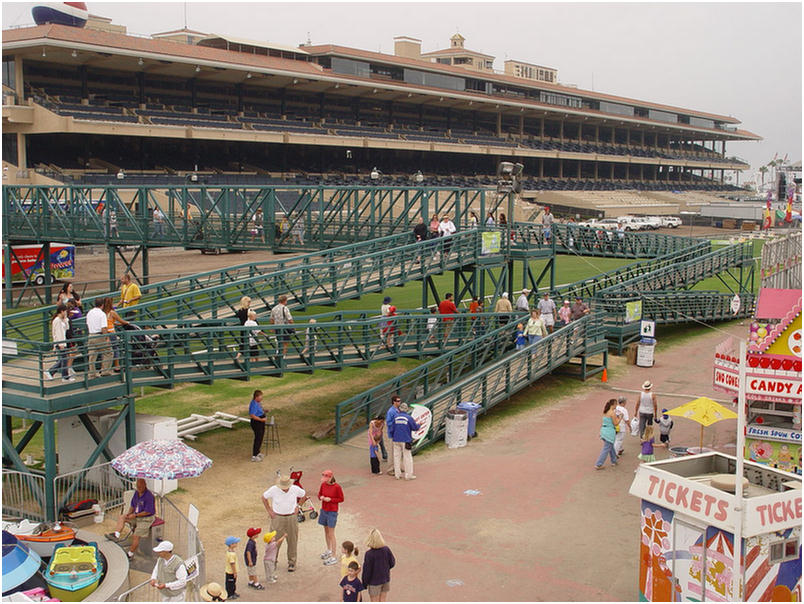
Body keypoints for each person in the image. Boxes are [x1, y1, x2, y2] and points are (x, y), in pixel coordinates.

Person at [262, 474, 305, 572]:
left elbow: (303, 495)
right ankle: (273, 561)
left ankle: (292, 562)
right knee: (274, 540)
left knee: (292, 540)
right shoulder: (273, 489)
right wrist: (269, 510)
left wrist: (298, 506)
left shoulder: (295, 489)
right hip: (278, 517)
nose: (285, 489)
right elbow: (263, 497)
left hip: (291, 517)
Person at [106, 478, 155, 558]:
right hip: (137, 515)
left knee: (136, 536)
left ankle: (130, 554)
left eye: (140, 486)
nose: (139, 488)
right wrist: (128, 514)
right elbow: (133, 505)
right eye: (138, 486)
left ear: (145, 485)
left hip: (146, 519)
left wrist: (135, 515)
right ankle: (116, 535)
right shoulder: (136, 493)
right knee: (122, 517)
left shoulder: (149, 496)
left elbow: (147, 512)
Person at [317, 469, 344, 566]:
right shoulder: (323, 485)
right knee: (326, 531)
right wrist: (321, 497)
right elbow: (319, 494)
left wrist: (331, 499)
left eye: (326, 478)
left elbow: (341, 499)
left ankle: (333, 555)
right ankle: (328, 549)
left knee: (331, 533)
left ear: (331, 477)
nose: (324, 480)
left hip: (332, 512)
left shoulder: (337, 487)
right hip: (324, 510)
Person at [362, 528, 395, 602]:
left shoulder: (369, 554)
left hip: (374, 582)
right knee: (383, 600)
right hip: (385, 579)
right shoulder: (386, 549)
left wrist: (364, 583)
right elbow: (392, 563)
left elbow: (367, 571)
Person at [390, 402, 420, 480]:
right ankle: (408, 475)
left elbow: (391, 429)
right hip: (405, 440)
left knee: (396, 457)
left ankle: (397, 474)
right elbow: (415, 427)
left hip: (396, 439)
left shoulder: (395, 417)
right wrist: (419, 425)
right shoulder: (408, 418)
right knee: (407, 457)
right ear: (406, 410)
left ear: (399, 409)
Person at [44, 304, 74, 382]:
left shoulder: (62, 320)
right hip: (60, 343)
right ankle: (64, 376)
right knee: (64, 359)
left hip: (63, 342)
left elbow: (67, 328)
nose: (66, 313)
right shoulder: (57, 321)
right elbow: (58, 333)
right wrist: (60, 344)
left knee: (63, 359)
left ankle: (51, 372)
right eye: (65, 311)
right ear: (62, 311)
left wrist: (66, 319)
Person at [86, 297, 111, 378]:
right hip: (99, 335)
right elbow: (104, 327)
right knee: (108, 352)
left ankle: (92, 373)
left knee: (92, 355)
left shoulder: (90, 312)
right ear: (102, 305)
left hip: (91, 335)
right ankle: (105, 371)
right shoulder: (102, 314)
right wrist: (106, 338)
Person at [103, 297, 129, 373]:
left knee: (105, 350)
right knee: (115, 348)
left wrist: (116, 323)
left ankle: (103, 367)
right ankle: (116, 366)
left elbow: (109, 321)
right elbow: (121, 320)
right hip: (111, 332)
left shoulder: (102, 312)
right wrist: (126, 323)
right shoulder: (112, 312)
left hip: (104, 332)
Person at [594, 399, 621, 470]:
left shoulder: (605, 412)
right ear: (614, 404)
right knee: (606, 448)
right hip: (609, 432)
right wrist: (620, 417)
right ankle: (599, 464)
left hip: (604, 431)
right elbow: (616, 423)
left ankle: (614, 460)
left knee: (610, 446)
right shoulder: (612, 413)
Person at [248, 390, 267, 462]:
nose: (261, 399)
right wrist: (261, 420)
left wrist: (264, 411)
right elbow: (252, 415)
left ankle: (258, 452)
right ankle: (254, 455)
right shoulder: (253, 404)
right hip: (257, 423)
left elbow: (259, 410)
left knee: (261, 437)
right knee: (258, 438)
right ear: (256, 397)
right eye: (260, 397)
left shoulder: (258, 403)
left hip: (260, 422)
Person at [383, 396, 401, 474]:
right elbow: (388, 423)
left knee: (398, 451)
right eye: (397, 401)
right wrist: (395, 423)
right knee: (391, 451)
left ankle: (397, 466)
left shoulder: (398, 410)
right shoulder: (391, 411)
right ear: (394, 402)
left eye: (400, 401)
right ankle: (390, 469)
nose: (399, 402)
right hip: (392, 433)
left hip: (398, 433)